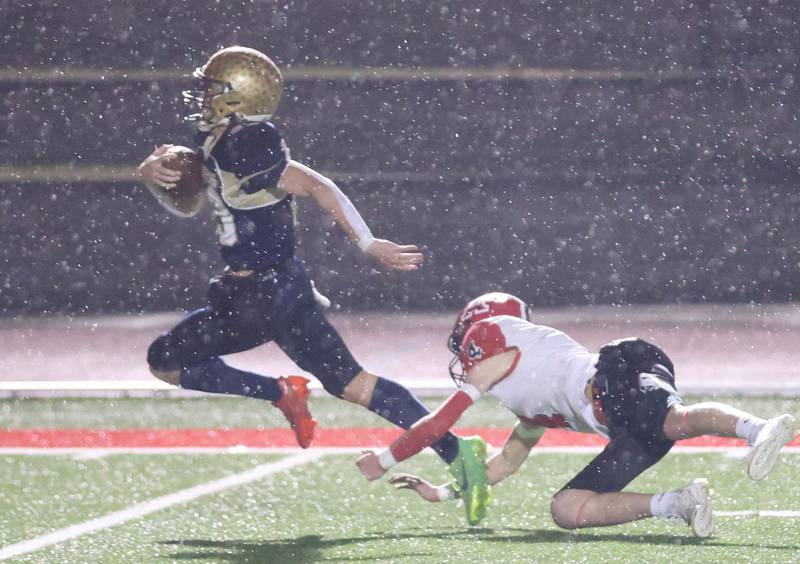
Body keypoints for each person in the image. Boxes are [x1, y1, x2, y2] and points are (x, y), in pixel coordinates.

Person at [136, 46, 482, 486]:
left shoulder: (247, 145)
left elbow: (315, 184)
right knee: (355, 385)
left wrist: (367, 241)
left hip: (258, 297)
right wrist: (153, 173)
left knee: (164, 359)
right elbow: (190, 199)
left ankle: (279, 392)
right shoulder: (225, 141)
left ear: (237, 96)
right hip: (282, 289)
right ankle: (457, 452)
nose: (203, 97)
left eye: (212, 89)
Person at [356, 292, 797, 536]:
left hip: (616, 376)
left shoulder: (493, 339)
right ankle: (680, 504)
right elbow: (505, 463)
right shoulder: (527, 396)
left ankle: (758, 429)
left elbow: (438, 424)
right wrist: (442, 493)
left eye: (466, 345)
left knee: (673, 420)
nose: (464, 355)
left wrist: (384, 459)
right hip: (623, 426)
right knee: (567, 509)